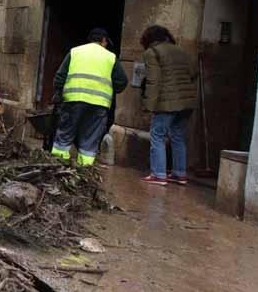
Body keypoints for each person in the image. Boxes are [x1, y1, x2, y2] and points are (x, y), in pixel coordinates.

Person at [50, 28, 128, 166]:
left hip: (73, 100)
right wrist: (110, 89)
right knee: (90, 138)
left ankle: (57, 166)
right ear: (103, 41)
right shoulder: (110, 57)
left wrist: (58, 92)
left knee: (65, 134)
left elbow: (60, 76)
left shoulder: (75, 52)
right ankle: (84, 169)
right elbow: (122, 82)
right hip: (99, 104)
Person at [139, 25, 198, 185]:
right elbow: (193, 72)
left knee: (157, 135)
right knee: (177, 136)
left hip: (167, 102)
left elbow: (153, 81)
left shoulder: (152, 53)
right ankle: (179, 174)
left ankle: (158, 174)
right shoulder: (181, 51)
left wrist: (148, 106)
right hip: (187, 102)